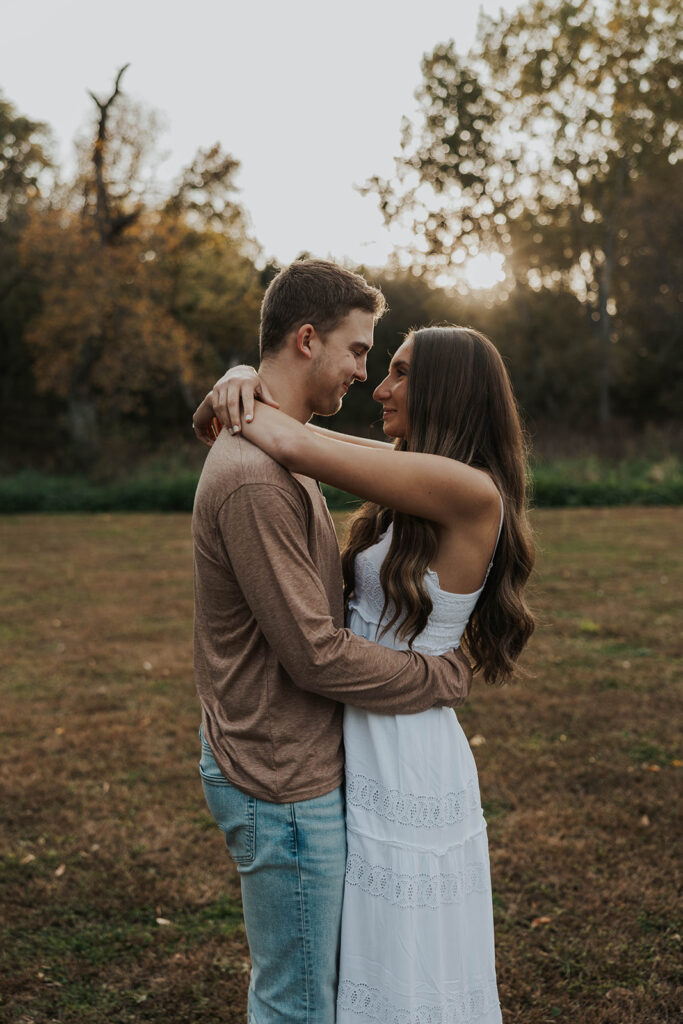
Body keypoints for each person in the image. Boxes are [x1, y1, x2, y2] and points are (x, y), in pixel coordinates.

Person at [198, 323, 535, 1023]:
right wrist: (237, 375)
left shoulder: (468, 490)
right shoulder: (412, 475)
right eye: (379, 366)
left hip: (407, 751)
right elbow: (291, 434)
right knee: (361, 960)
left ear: (447, 389)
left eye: (401, 373)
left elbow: (293, 441)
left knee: (403, 962)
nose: (378, 386)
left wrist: (239, 385)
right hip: (361, 732)